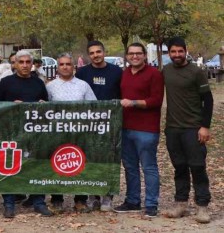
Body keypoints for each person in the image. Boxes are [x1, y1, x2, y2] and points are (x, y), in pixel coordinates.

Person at [0, 50, 52, 218]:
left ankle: (38, 202)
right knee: (9, 166)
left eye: (28, 62)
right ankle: (9, 203)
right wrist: (11, 105)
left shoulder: (39, 83)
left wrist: (43, 104)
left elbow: (46, 105)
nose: (25, 65)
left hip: (35, 133)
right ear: (16, 64)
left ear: (32, 64)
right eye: (22, 62)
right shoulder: (6, 83)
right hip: (11, 132)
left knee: (37, 166)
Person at [161, 38, 213, 224]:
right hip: (173, 128)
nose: (177, 55)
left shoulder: (196, 72)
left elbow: (208, 100)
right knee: (179, 167)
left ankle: (202, 206)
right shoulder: (166, 71)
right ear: (169, 53)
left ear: (185, 51)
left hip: (193, 128)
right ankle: (181, 204)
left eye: (180, 51)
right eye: (173, 52)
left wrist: (205, 126)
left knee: (198, 167)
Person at [114, 43, 164, 218]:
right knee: (130, 167)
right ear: (127, 56)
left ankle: (151, 204)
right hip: (126, 127)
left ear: (144, 55)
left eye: (138, 53)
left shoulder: (154, 74)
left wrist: (134, 102)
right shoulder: (125, 74)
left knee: (149, 167)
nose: (135, 56)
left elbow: (156, 100)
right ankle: (133, 201)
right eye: (131, 54)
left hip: (146, 129)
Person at [75, 40, 123, 211]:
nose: (96, 55)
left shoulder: (117, 72)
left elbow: (122, 95)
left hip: (110, 123)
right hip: (88, 124)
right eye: (92, 53)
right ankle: (93, 196)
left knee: (108, 159)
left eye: (98, 52)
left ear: (104, 52)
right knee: (89, 159)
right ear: (89, 55)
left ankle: (107, 197)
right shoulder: (82, 72)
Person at [45, 53, 96, 213]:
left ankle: (80, 200)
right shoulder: (50, 87)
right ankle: (57, 199)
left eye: (68, 64)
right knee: (57, 165)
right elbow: (43, 110)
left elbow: (95, 107)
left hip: (80, 132)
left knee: (80, 164)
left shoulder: (83, 85)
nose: (65, 67)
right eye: (62, 64)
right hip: (57, 133)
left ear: (73, 66)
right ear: (58, 67)